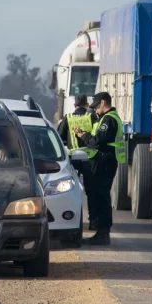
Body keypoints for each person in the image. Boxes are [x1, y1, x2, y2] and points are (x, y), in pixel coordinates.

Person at [73, 92, 125, 245]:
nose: (95, 110)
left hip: (106, 163)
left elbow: (97, 142)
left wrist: (83, 135)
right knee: (100, 196)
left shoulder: (109, 119)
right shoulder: (105, 118)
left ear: (103, 103)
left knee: (102, 197)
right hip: (104, 162)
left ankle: (103, 233)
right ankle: (101, 232)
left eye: (96, 106)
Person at [57, 94, 99, 230]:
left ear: (75, 105)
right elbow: (96, 138)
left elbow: (60, 137)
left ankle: (69, 221)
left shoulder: (68, 118)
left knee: (70, 191)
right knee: (92, 191)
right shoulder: (92, 117)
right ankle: (93, 221)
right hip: (90, 159)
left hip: (73, 160)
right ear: (87, 105)